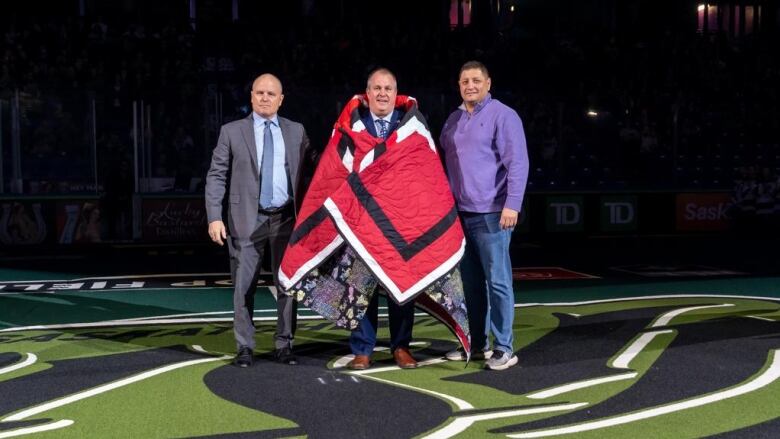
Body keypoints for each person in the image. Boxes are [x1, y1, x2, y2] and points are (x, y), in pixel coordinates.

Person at [278, 67, 471, 371]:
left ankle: (401, 347)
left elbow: (427, 178)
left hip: (402, 225)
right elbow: (333, 174)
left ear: (397, 94)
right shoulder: (348, 129)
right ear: (366, 95)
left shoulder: (414, 129)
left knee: (403, 283)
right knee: (359, 288)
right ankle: (362, 349)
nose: (382, 94)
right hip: (359, 225)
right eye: (377, 88)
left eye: (388, 89)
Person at [205, 73, 311, 368]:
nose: (265, 98)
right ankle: (245, 347)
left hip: (286, 219)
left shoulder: (297, 131)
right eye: (260, 93)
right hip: (245, 220)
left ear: (281, 99)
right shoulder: (231, 131)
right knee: (243, 285)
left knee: (288, 285)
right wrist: (214, 217)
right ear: (251, 96)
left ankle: (285, 344)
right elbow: (216, 175)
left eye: (271, 93)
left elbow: (312, 173)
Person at [439, 61, 529, 370]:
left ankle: (503, 347)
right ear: (459, 85)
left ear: (488, 83)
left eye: (477, 80)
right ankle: (476, 345)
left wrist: (512, 204)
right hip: (461, 217)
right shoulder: (452, 120)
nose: (470, 85)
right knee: (471, 285)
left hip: (493, 214)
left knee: (499, 282)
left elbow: (518, 162)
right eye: (465, 80)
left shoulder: (504, 116)